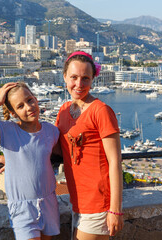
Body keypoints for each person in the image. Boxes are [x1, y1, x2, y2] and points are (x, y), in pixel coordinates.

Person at [0, 82, 60, 240]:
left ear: (36, 99)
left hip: (49, 202)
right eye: (20, 106)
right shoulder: (6, 130)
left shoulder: (51, 131)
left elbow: (51, 156)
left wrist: (10, 160)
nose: (28, 107)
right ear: (13, 113)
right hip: (22, 208)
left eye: (29, 100)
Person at [55, 51, 124, 239]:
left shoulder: (101, 111)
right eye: (74, 77)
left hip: (98, 203)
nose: (79, 84)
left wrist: (115, 210)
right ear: (64, 77)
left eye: (85, 78)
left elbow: (115, 161)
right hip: (77, 201)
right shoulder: (63, 111)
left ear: (93, 79)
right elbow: (51, 147)